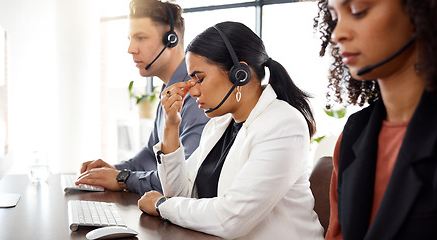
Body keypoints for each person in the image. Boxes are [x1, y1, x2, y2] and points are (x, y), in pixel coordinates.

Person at [138, 21, 324, 239]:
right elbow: (180, 194)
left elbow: (231, 218)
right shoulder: (219, 125)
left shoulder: (284, 125)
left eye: (200, 78)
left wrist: (161, 206)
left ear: (239, 74)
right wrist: (171, 124)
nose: (193, 91)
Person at [315, 0, 437, 239]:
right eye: (335, 17)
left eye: (359, 11)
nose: (337, 34)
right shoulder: (354, 133)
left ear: (420, 12)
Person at [76, 0, 208, 195]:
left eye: (141, 37)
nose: (130, 49)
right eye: (130, 38)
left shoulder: (196, 94)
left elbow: (182, 176)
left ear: (171, 39)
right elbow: (150, 156)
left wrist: (122, 179)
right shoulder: (169, 88)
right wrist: (113, 170)